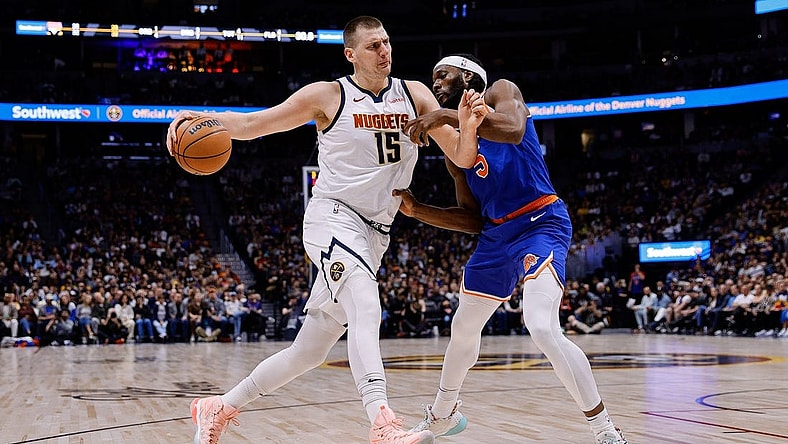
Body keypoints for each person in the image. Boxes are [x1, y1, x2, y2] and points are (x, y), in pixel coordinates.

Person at [166, 16, 464, 444]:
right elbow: (254, 125)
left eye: (386, 43)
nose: (384, 52)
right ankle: (382, 423)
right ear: (350, 54)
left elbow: (461, 151)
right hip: (333, 217)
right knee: (366, 304)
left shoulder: (414, 94)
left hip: (376, 233)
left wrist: (463, 120)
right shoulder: (329, 95)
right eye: (372, 46)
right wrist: (203, 117)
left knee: (308, 352)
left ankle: (219, 406)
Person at [394, 54, 627, 443]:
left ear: (468, 76)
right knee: (462, 328)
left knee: (540, 324)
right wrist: (418, 210)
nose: (435, 83)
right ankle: (442, 415)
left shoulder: (501, 91)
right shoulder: (460, 156)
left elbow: (514, 129)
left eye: (442, 75)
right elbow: (473, 219)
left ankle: (604, 429)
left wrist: (444, 117)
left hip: (539, 221)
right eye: (433, 77)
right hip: (497, 237)